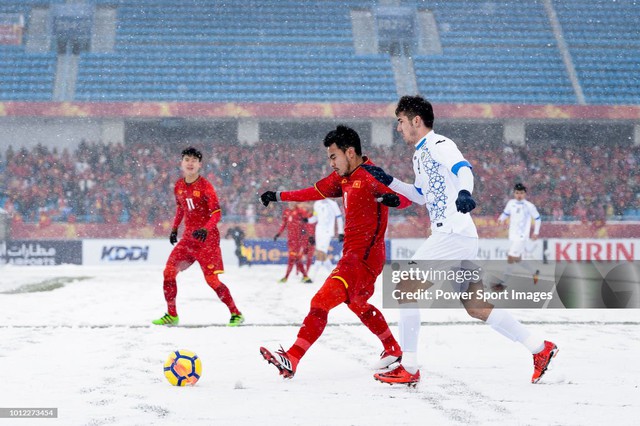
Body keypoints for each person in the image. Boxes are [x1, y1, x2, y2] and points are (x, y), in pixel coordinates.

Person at [373, 96, 558, 386]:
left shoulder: (439, 144)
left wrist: (464, 193)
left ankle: (408, 366)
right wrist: (390, 182)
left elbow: (463, 168)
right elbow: (421, 195)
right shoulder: (419, 153)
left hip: (452, 233)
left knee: (406, 287)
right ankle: (539, 348)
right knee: (476, 306)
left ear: (416, 121)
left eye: (400, 121)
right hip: (459, 236)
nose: (398, 128)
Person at [258, 125, 410, 379]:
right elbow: (313, 191)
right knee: (359, 304)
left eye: (333, 156)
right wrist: (277, 195)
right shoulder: (343, 179)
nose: (331, 163)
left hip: (360, 259)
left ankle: (292, 358)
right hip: (356, 256)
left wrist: (396, 201)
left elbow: (405, 197)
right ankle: (392, 348)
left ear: (350, 152)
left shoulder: (372, 175)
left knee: (320, 302)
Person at [152, 147, 244, 327]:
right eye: (187, 159)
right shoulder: (178, 185)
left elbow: (217, 213)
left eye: (194, 160)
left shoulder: (206, 187)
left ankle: (236, 313)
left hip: (206, 241)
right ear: (182, 163)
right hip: (188, 240)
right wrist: (174, 229)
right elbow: (180, 208)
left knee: (212, 280)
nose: (190, 163)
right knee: (169, 272)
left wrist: (206, 228)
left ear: (200, 165)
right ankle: (172, 314)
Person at [497, 183, 542, 287]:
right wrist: (501, 219)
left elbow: (538, 219)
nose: (519, 195)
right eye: (517, 193)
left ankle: (504, 282)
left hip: (522, 236)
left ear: (525, 194)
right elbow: (505, 213)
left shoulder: (529, 206)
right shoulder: (511, 203)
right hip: (512, 235)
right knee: (517, 259)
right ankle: (534, 271)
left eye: (521, 193)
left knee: (510, 257)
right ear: (514, 193)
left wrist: (536, 232)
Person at [274, 203, 312, 283]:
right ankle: (305, 277)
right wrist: (278, 233)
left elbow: (308, 222)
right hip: (291, 240)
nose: (291, 203)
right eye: (289, 201)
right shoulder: (286, 212)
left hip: (299, 240)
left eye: (293, 201)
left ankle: (286, 277)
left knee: (293, 258)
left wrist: (309, 234)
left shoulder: (300, 211)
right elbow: (284, 224)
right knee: (297, 259)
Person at [307, 198, 344, 280]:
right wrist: (308, 220)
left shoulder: (333, 204)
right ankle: (334, 274)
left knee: (320, 253)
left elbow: (339, 217)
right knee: (322, 254)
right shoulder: (317, 203)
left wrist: (341, 232)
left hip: (328, 231)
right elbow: (316, 217)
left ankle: (312, 277)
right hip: (319, 231)